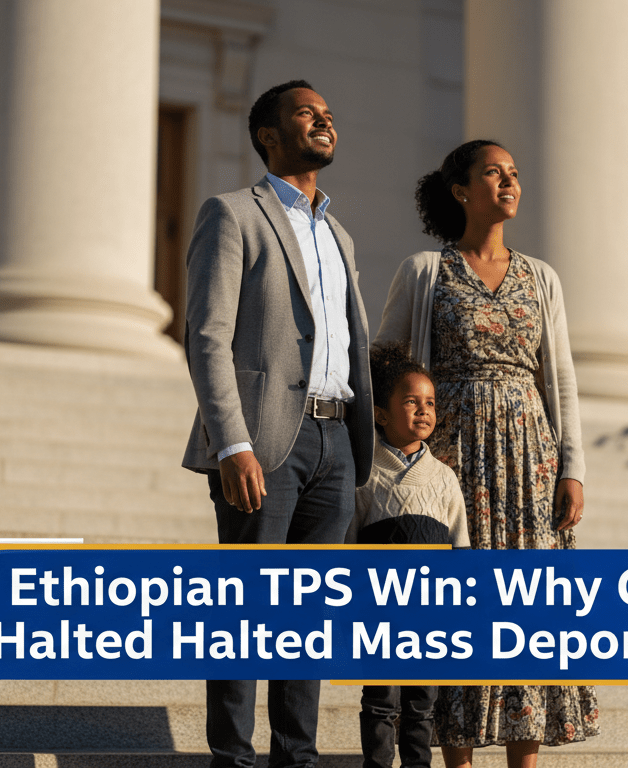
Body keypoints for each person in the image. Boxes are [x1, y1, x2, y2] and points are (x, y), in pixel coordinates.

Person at [375, 140, 599, 768]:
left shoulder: (541, 277)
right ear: (461, 190)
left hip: (531, 460)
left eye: (514, 174)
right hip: (455, 459)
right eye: (494, 173)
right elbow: (385, 362)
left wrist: (573, 468)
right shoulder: (426, 270)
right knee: (462, 605)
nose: (509, 182)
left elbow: (560, 377)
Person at [180, 79, 375, 768]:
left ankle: (298, 757)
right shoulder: (232, 213)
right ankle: (232, 757)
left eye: (328, 113)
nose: (324, 119)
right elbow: (207, 336)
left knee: (308, 620)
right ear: (269, 134)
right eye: (306, 112)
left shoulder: (340, 234)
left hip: (335, 441)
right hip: (262, 440)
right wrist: (230, 441)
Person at [346, 342, 469, 768]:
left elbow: (460, 546)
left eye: (430, 403)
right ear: (381, 414)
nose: (424, 410)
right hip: (379, 609)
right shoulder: (366, 474)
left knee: (421, 704)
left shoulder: (444, 478)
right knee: (380, 700)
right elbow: (349, 544)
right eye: (411, 401)